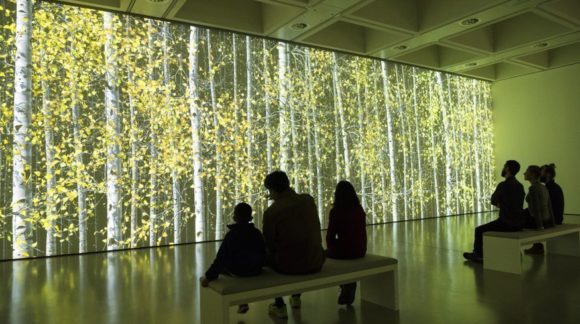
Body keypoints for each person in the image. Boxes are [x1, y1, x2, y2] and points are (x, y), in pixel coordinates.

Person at [262, 171, 325, 319]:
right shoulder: (308, 200)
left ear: (272, 190)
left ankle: (279, 305)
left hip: (289, 266)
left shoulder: (272, 212)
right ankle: (295, 297)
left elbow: (269, 243)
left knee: (267, 256)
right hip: (316, 260)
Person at [200, 202, 265, 314]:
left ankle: (242, 303)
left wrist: (209, 276)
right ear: (251, 217)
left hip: (237, 272)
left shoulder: (232, 235)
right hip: (256, 270)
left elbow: (221, 259)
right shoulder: (257, 233)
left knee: (225, 268)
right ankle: (242, 303)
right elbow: (263, 253)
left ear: (234, 217)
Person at [463, 160, 525, 262]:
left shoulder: (503, 185)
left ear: (507, 169)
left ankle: (478, 254)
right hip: (519, 223)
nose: (503, 168)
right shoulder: (520, 186)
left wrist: (502, 205)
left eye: (504, 166)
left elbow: (493, 200)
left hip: (507, 223)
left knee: (479, 230)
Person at [326, 181, 367, 306]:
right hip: (360, 250)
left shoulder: (336, 211)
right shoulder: (359, 210)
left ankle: (345, 284)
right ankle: (347, 284)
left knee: (324, 254)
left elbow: (330, 236)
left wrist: (330, 249)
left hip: (344, 251)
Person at [523, 165, 555, 254]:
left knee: (514, 222)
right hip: (547, 220)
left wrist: (540, 226)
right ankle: (537, 246)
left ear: (533, 175)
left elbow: (537, 208)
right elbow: (549, 207)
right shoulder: (544, 187)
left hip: (538, 221)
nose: (524, 173)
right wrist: (552, 223)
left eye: (526, 172)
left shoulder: (533, 188)